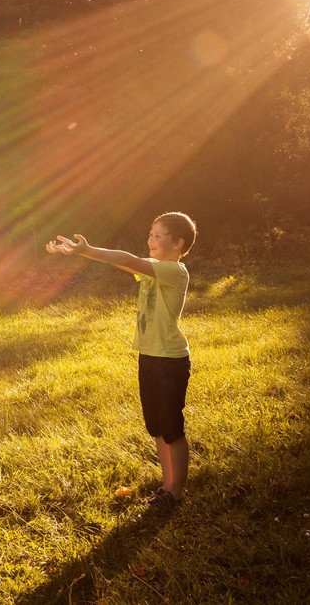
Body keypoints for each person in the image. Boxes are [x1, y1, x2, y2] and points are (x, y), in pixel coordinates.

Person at [45, 212, 198, 512]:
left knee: (172, 429)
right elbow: (122, 261)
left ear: (178, 243)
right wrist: (84, 253)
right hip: (150, 357)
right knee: (156, 426)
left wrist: (86, 249)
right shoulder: (155, 267)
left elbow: (129, 259)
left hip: (170, 360)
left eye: (158, 235)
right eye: (150, 234)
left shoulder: (175, 271)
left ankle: (176, 491)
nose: (150, 240)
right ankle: (166, 485)